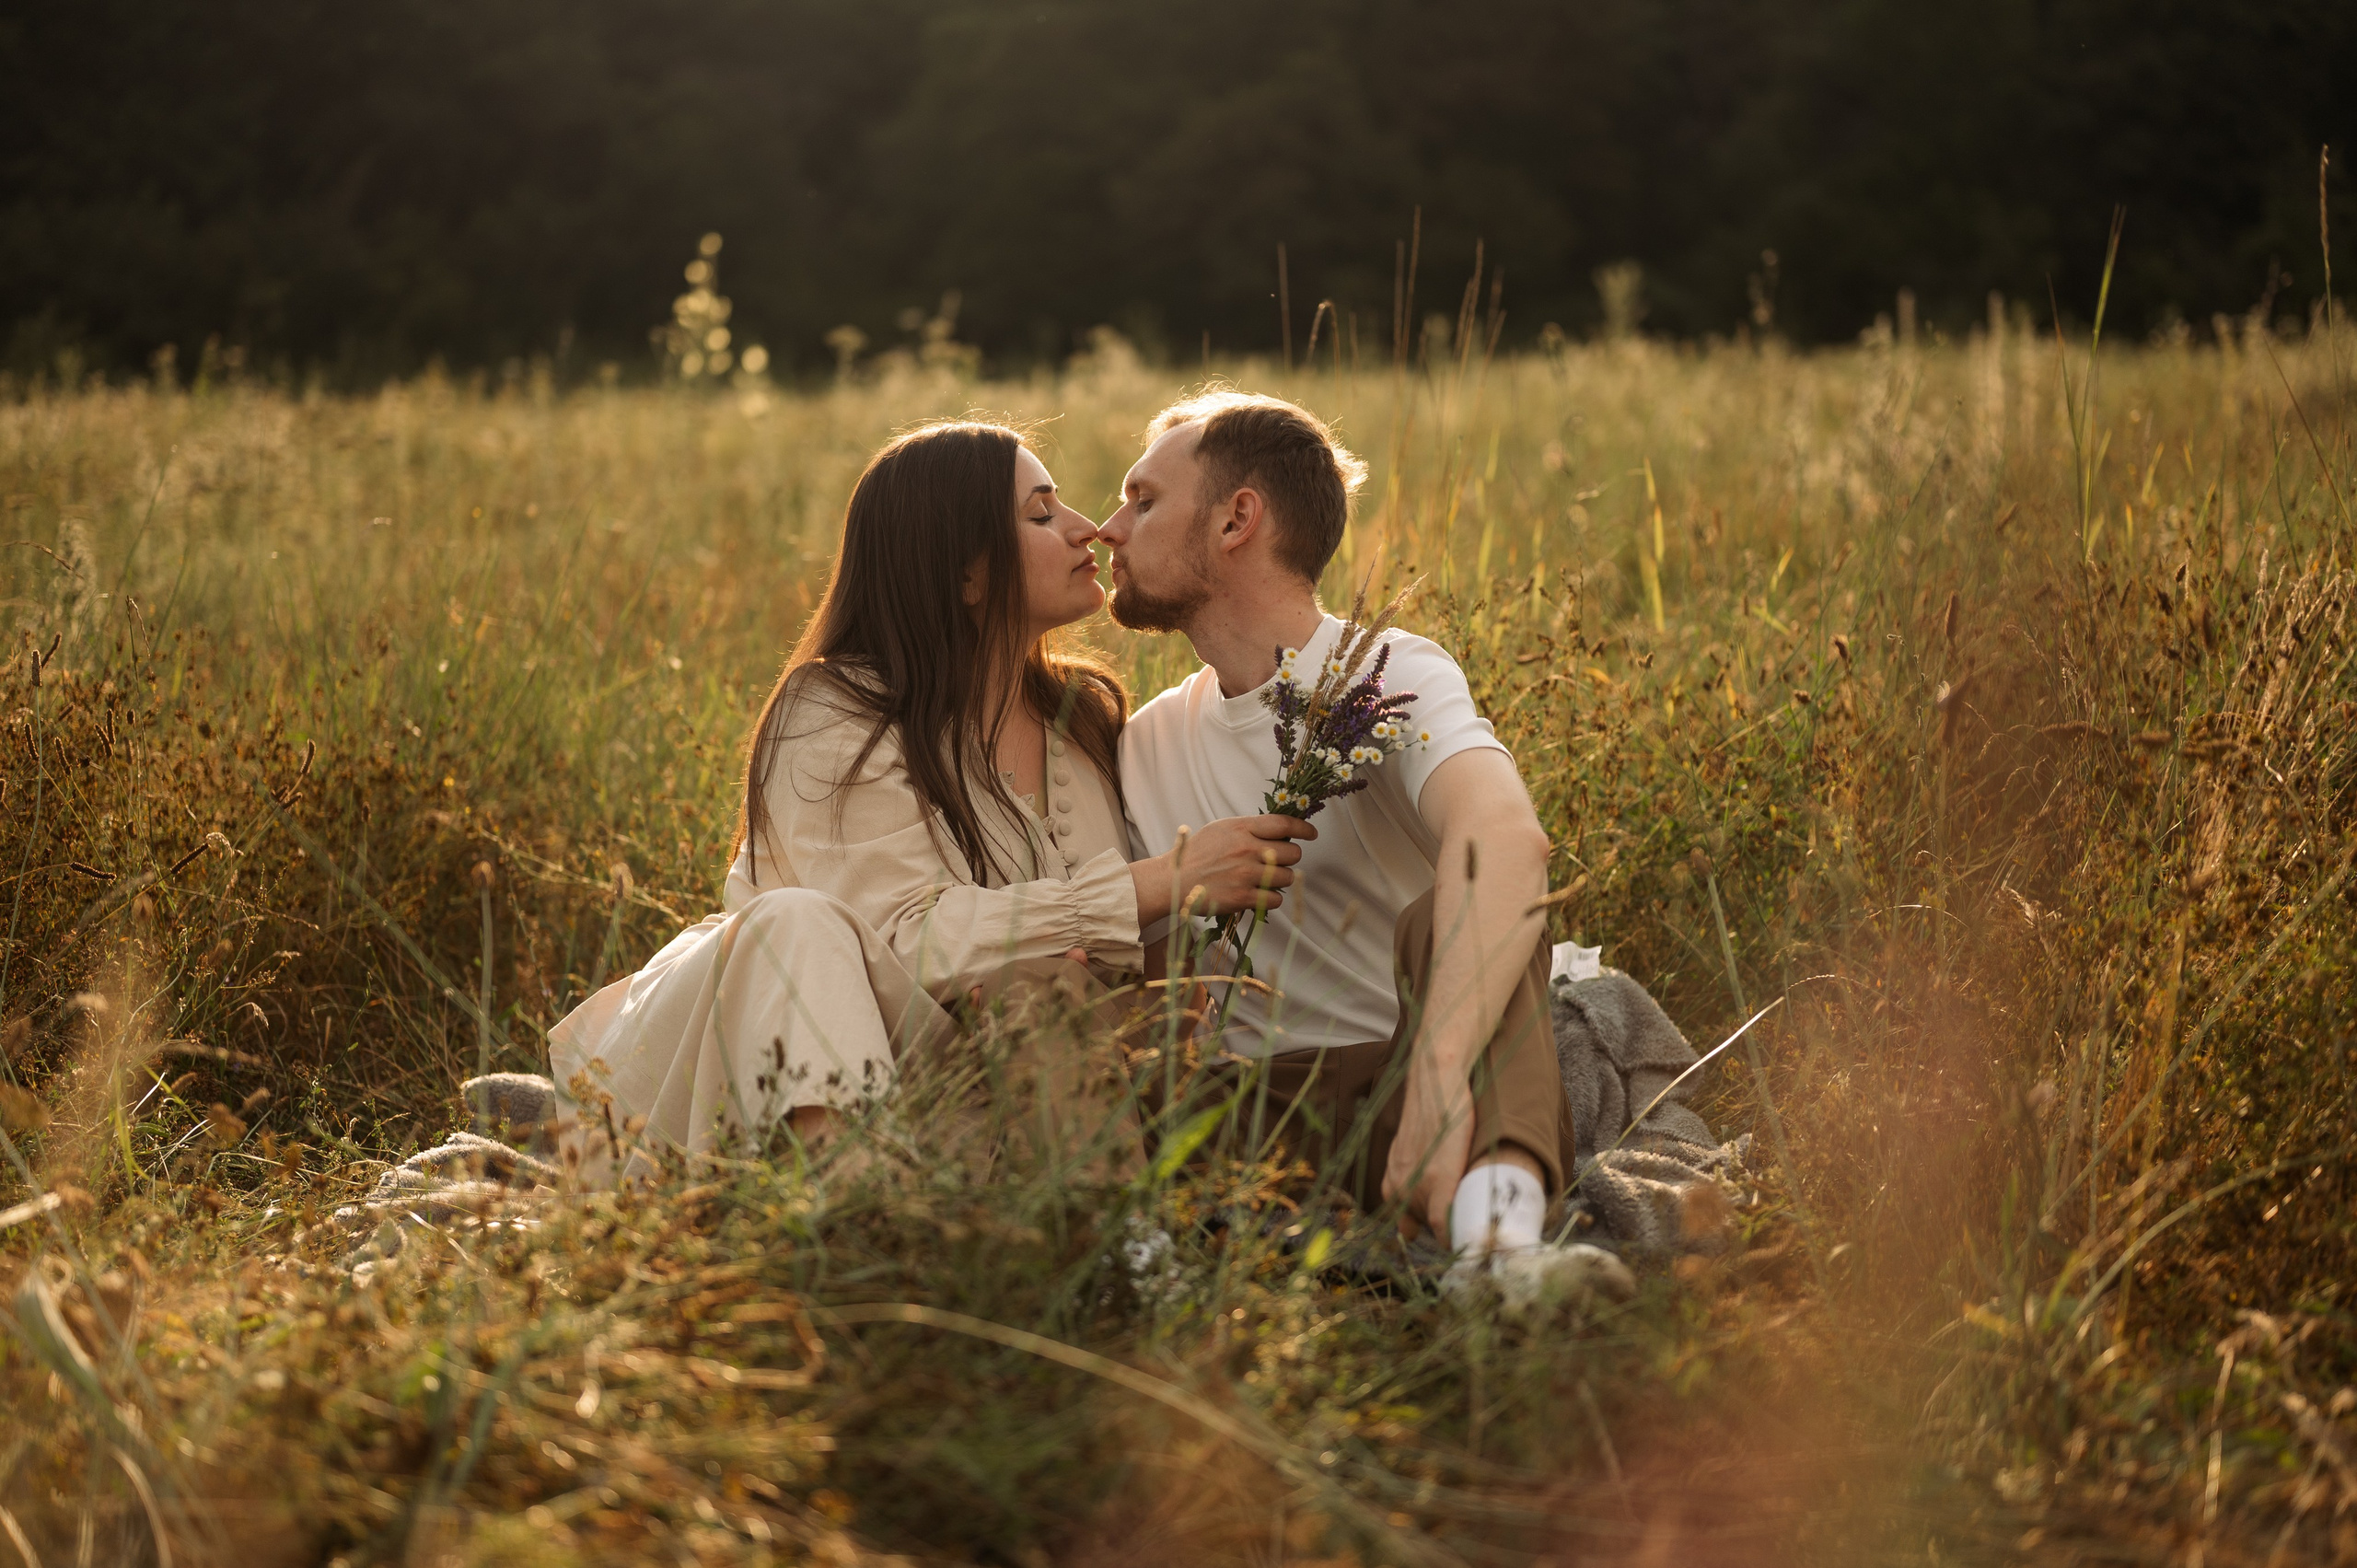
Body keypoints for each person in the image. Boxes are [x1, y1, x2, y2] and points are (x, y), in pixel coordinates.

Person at [548, 420, 1305, 1173]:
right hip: (758, 1073)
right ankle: (857, 1226)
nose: (1087, 531)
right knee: (795, 922)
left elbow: (1095, 962)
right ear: (966, 574)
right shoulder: (832, 710)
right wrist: (1161, 881)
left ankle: (976, 1237)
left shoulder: (1086, 720)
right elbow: (904, 940)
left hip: (972, 1109)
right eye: (1041, 514)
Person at [1100, 389, 1608, 1292]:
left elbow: (1506, 839)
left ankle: (1499, 1257)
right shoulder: (1142, 740)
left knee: (1471, 909)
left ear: (1235, 519)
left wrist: (1440, 1078)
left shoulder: (1384, 671)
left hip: (1409, 1084)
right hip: (1248, 1115)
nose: (1108, 528)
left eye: (1141, 500)